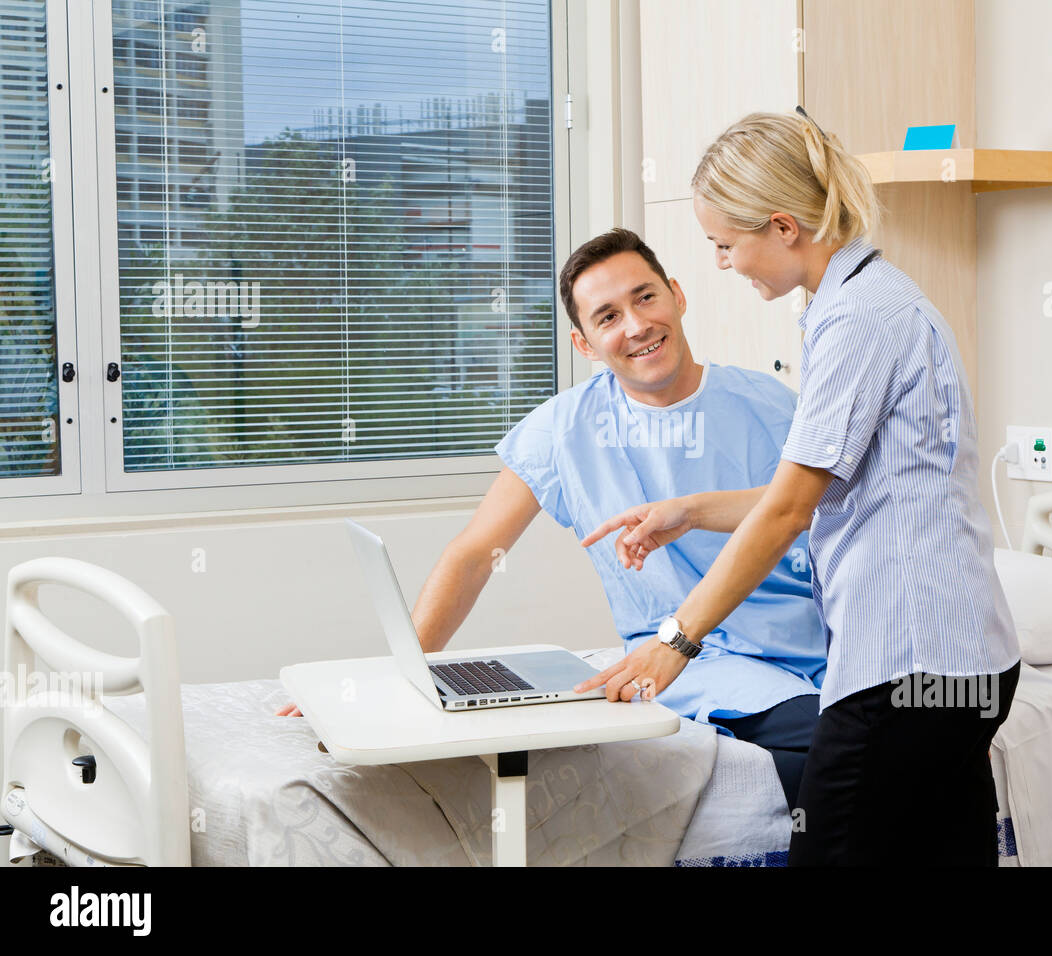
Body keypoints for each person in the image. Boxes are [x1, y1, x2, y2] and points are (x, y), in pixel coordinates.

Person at [577, 110, 1022, 866]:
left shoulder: (859, 320)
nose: (723, 263)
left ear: (782, 226)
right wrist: (688, 512)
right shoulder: (861, 302)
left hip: (906, 666)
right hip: (959, 657)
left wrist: (675, 642)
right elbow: (816, 485)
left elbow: (788, 509)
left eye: (726, 244)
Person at [280, 228, 826, 810]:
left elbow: (826, 517)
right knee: (843, 744)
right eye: (608, 316)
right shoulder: (565, 428)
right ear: (585, 343)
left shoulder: (771, 403)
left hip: (812, 641)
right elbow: (475, 552)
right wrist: (399, 676)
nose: (636, 325)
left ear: (677, 295)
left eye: (646, 298)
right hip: (691, 660)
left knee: (869, 750)